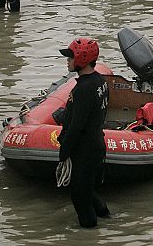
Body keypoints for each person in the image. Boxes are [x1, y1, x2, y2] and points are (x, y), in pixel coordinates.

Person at [57, 37, 110, 228]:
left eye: (70, 57)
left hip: (85, 151)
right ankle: (107, 218)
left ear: (82, 58)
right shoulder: (100, 82)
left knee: (80, 198)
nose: (67, 61)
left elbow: (77, 127)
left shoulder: (84, 89)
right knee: (88, 191)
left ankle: (89, 234)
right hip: (96, 146)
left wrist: (64, 152)